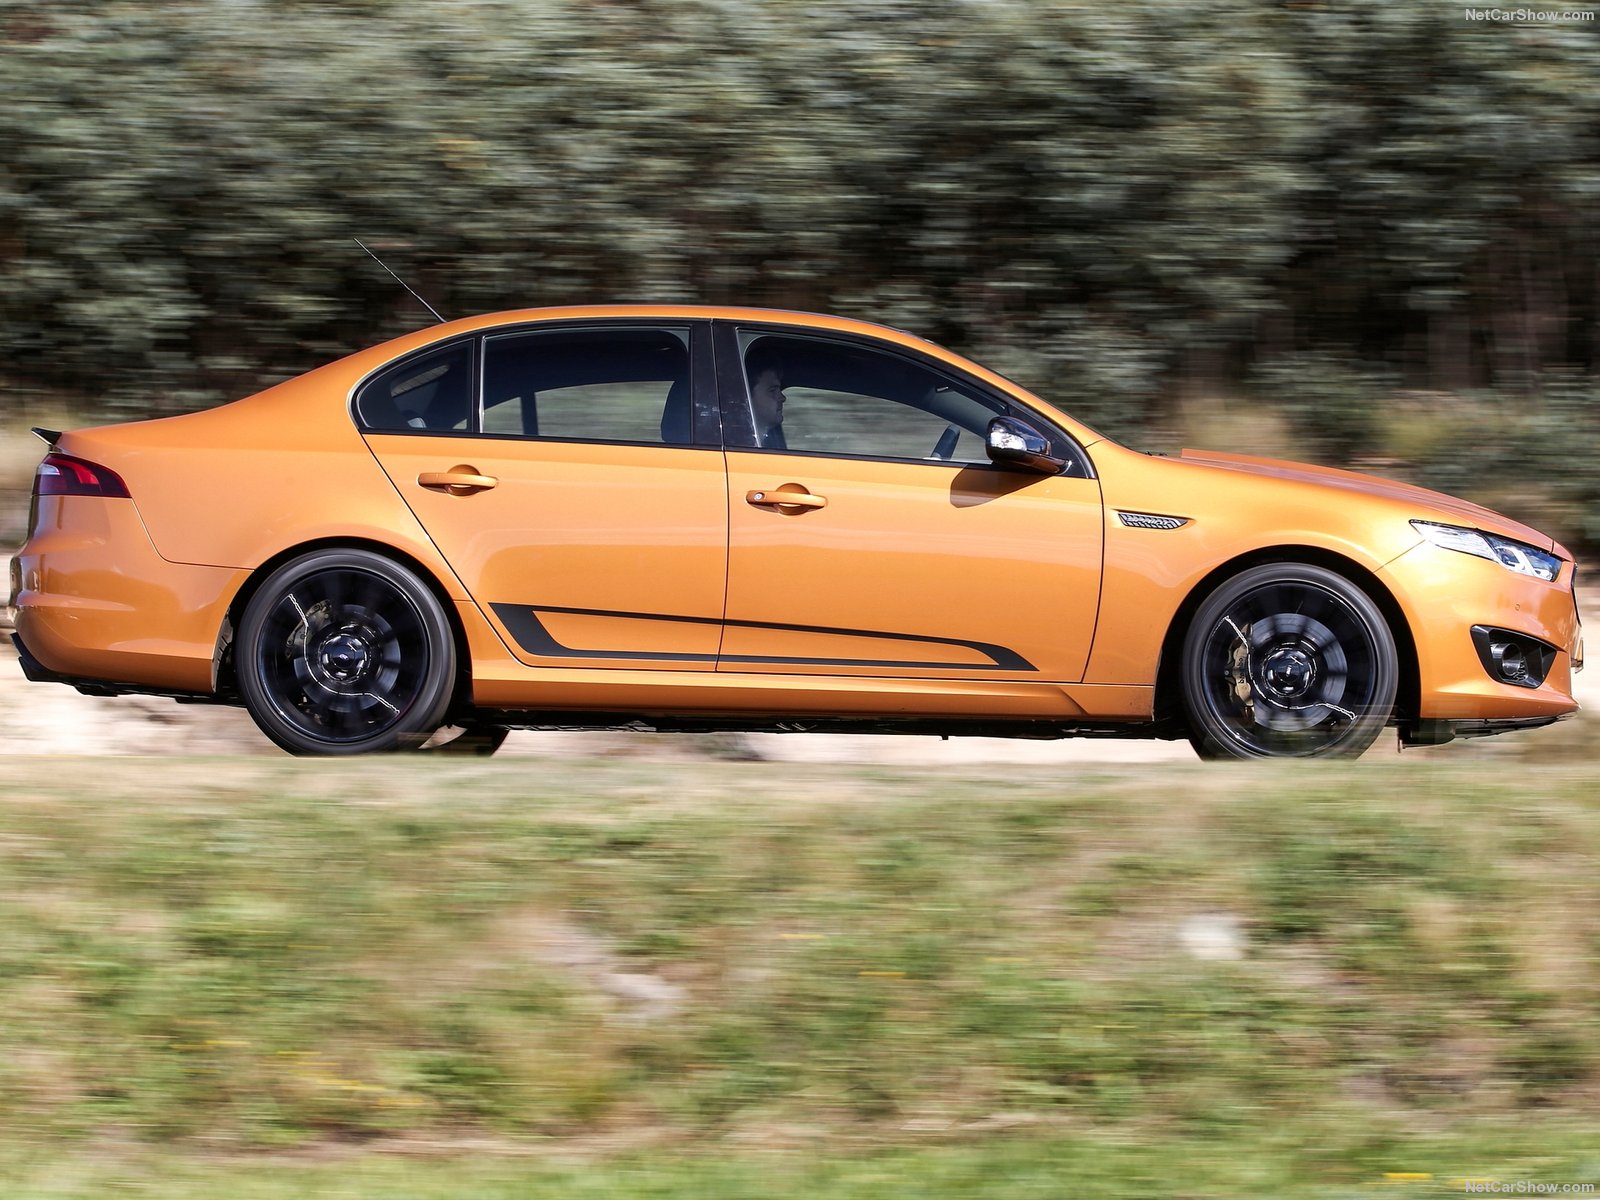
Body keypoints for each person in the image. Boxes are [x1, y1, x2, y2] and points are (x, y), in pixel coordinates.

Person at [744, 345, 788, 450]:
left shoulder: (764, 444)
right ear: (748, 396)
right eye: (772, 390)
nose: (783, 398)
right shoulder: (741, 448)